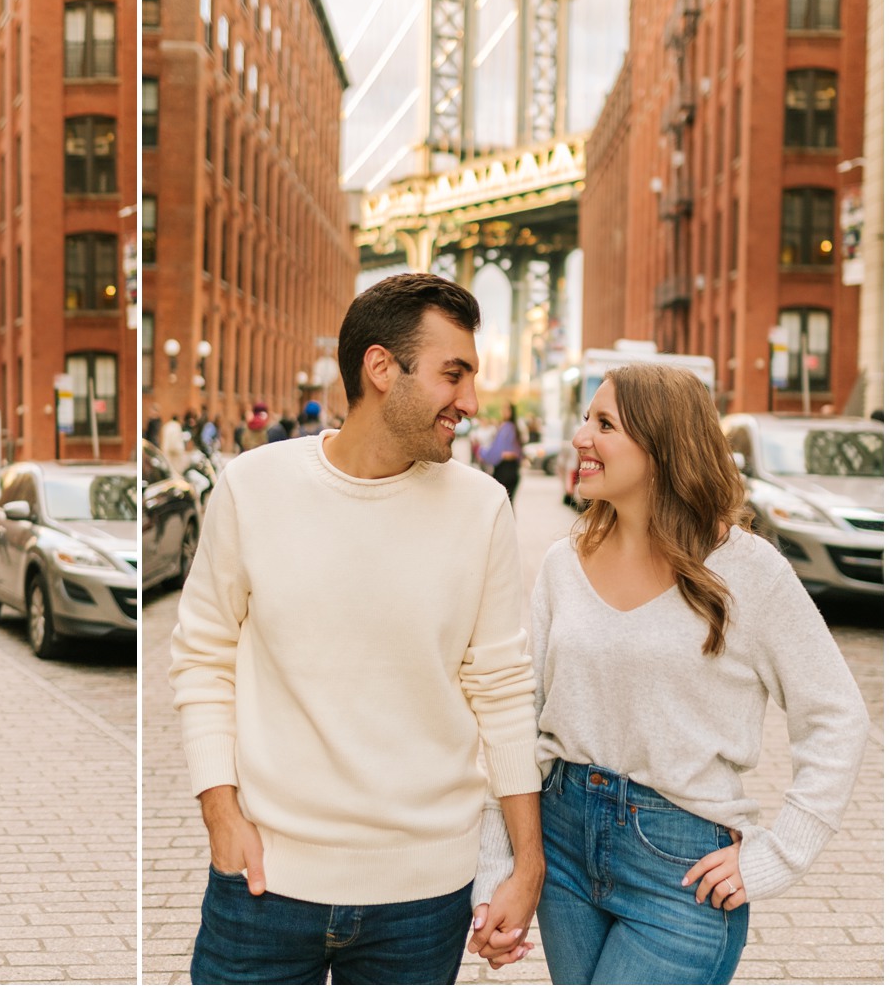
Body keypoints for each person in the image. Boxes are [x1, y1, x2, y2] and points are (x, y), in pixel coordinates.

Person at [170, 273, 543, 984]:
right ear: (380, 368)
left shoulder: (482, 508)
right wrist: (220, 813)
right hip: (264, 885)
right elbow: (202, 657)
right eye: (453, 374)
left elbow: (501, 690)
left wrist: (527, 865)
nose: (469, 403)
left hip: (424, 899)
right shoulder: (252, 487)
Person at [479, 364, 869, 983]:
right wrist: (499, 866)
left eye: (604, 423)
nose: (581, 437)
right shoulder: (562, 564)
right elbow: (522, 720)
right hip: (562, 847)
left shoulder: (747, 571)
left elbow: (837, 716)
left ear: (663, 445)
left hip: (680, 868)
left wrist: (779, 854)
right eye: (586, 419)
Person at [486, 403, 524, 504]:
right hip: (512, 471)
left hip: (504, 471)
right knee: (508, 506)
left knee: (502, 506)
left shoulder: (507, 428)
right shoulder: (514, 428)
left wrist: (482, 452)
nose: (503, 412)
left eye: (506, 410)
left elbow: (497, 452)